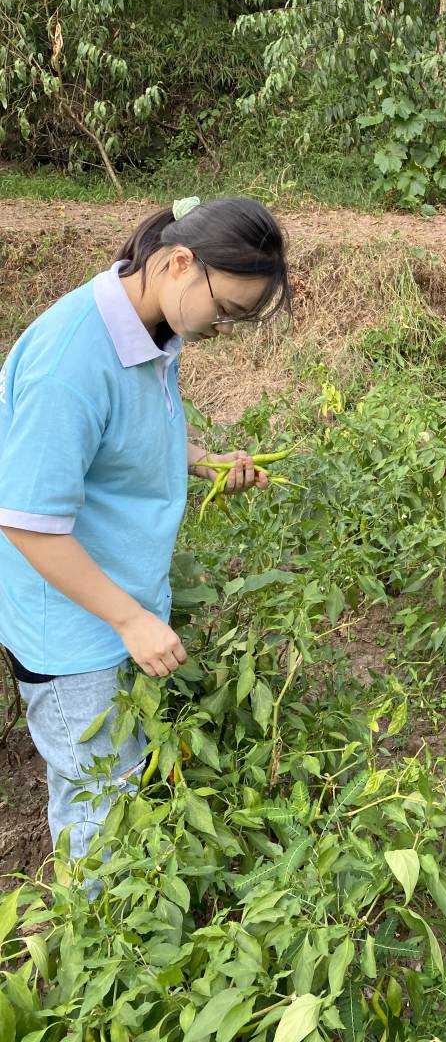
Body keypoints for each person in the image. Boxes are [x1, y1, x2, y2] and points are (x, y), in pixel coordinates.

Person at [0, 196, 292, 874]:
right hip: (74, 632)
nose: (225, 327)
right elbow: (25, 522)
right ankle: (95, 946)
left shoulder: (155, 322)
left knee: (119, 783)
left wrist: (202, 459)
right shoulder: (70, 361)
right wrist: (130, 619)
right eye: (228, 311)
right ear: (181, 263)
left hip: (114, 608)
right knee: (101, 808)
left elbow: (137, 424)